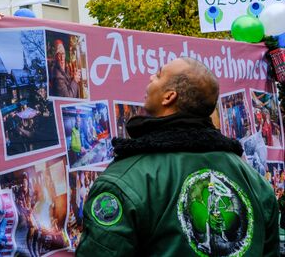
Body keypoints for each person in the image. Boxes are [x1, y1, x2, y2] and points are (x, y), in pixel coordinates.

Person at [78, 57, 278, 256]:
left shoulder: (125, 180)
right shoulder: (256, 183)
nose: (150, 77)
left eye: (157, 75)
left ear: (169, 97)